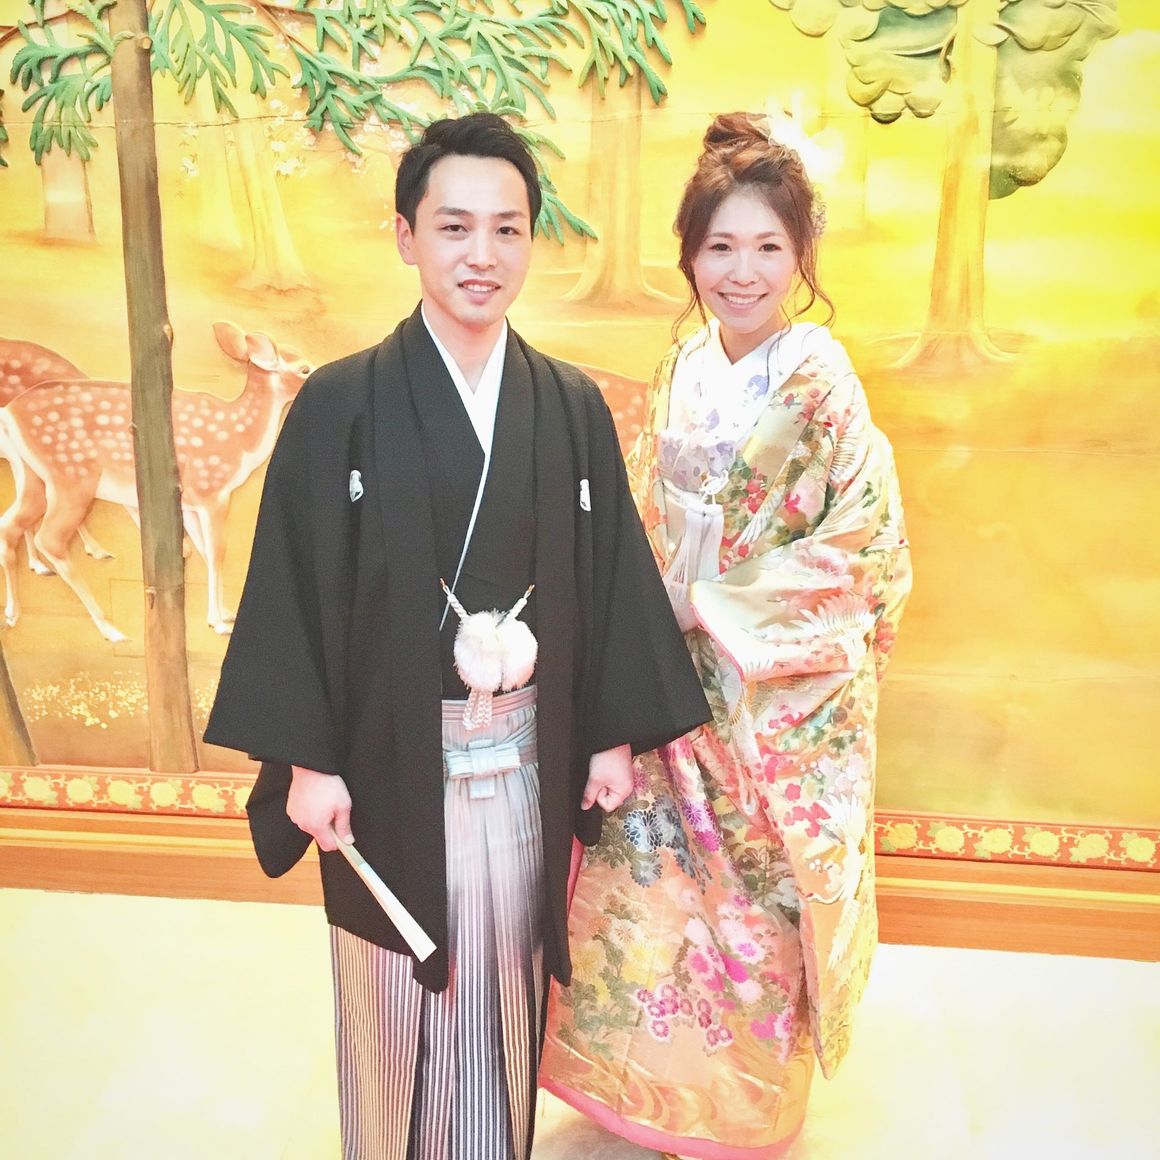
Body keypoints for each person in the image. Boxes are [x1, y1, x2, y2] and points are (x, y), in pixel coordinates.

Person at [203, 112, 709, 1160]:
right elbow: (291, 584)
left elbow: (608, 577)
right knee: (393, 986)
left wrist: (610, 734)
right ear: (405, 237)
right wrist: (306, 760)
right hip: (385, 764)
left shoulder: (568, 406)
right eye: (454, 227)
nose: (482, 254)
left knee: (504, 979)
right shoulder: (339, 403)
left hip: (524, 754)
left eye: (507, 229)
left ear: (530, 241)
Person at [540, 112, 912, 1159]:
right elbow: (642, 511)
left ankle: (742, 1110)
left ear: (801, 254)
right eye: (719, 247)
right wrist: (636, 614)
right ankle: (651, 1093)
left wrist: (710, 604)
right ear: (688, 254)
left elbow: (865, 546)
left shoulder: (821, 380)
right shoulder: (682, 364)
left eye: (767, 247)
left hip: (772, 690)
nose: (742, 273)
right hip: (666, 669)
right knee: (654, 886)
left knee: (753, 904)